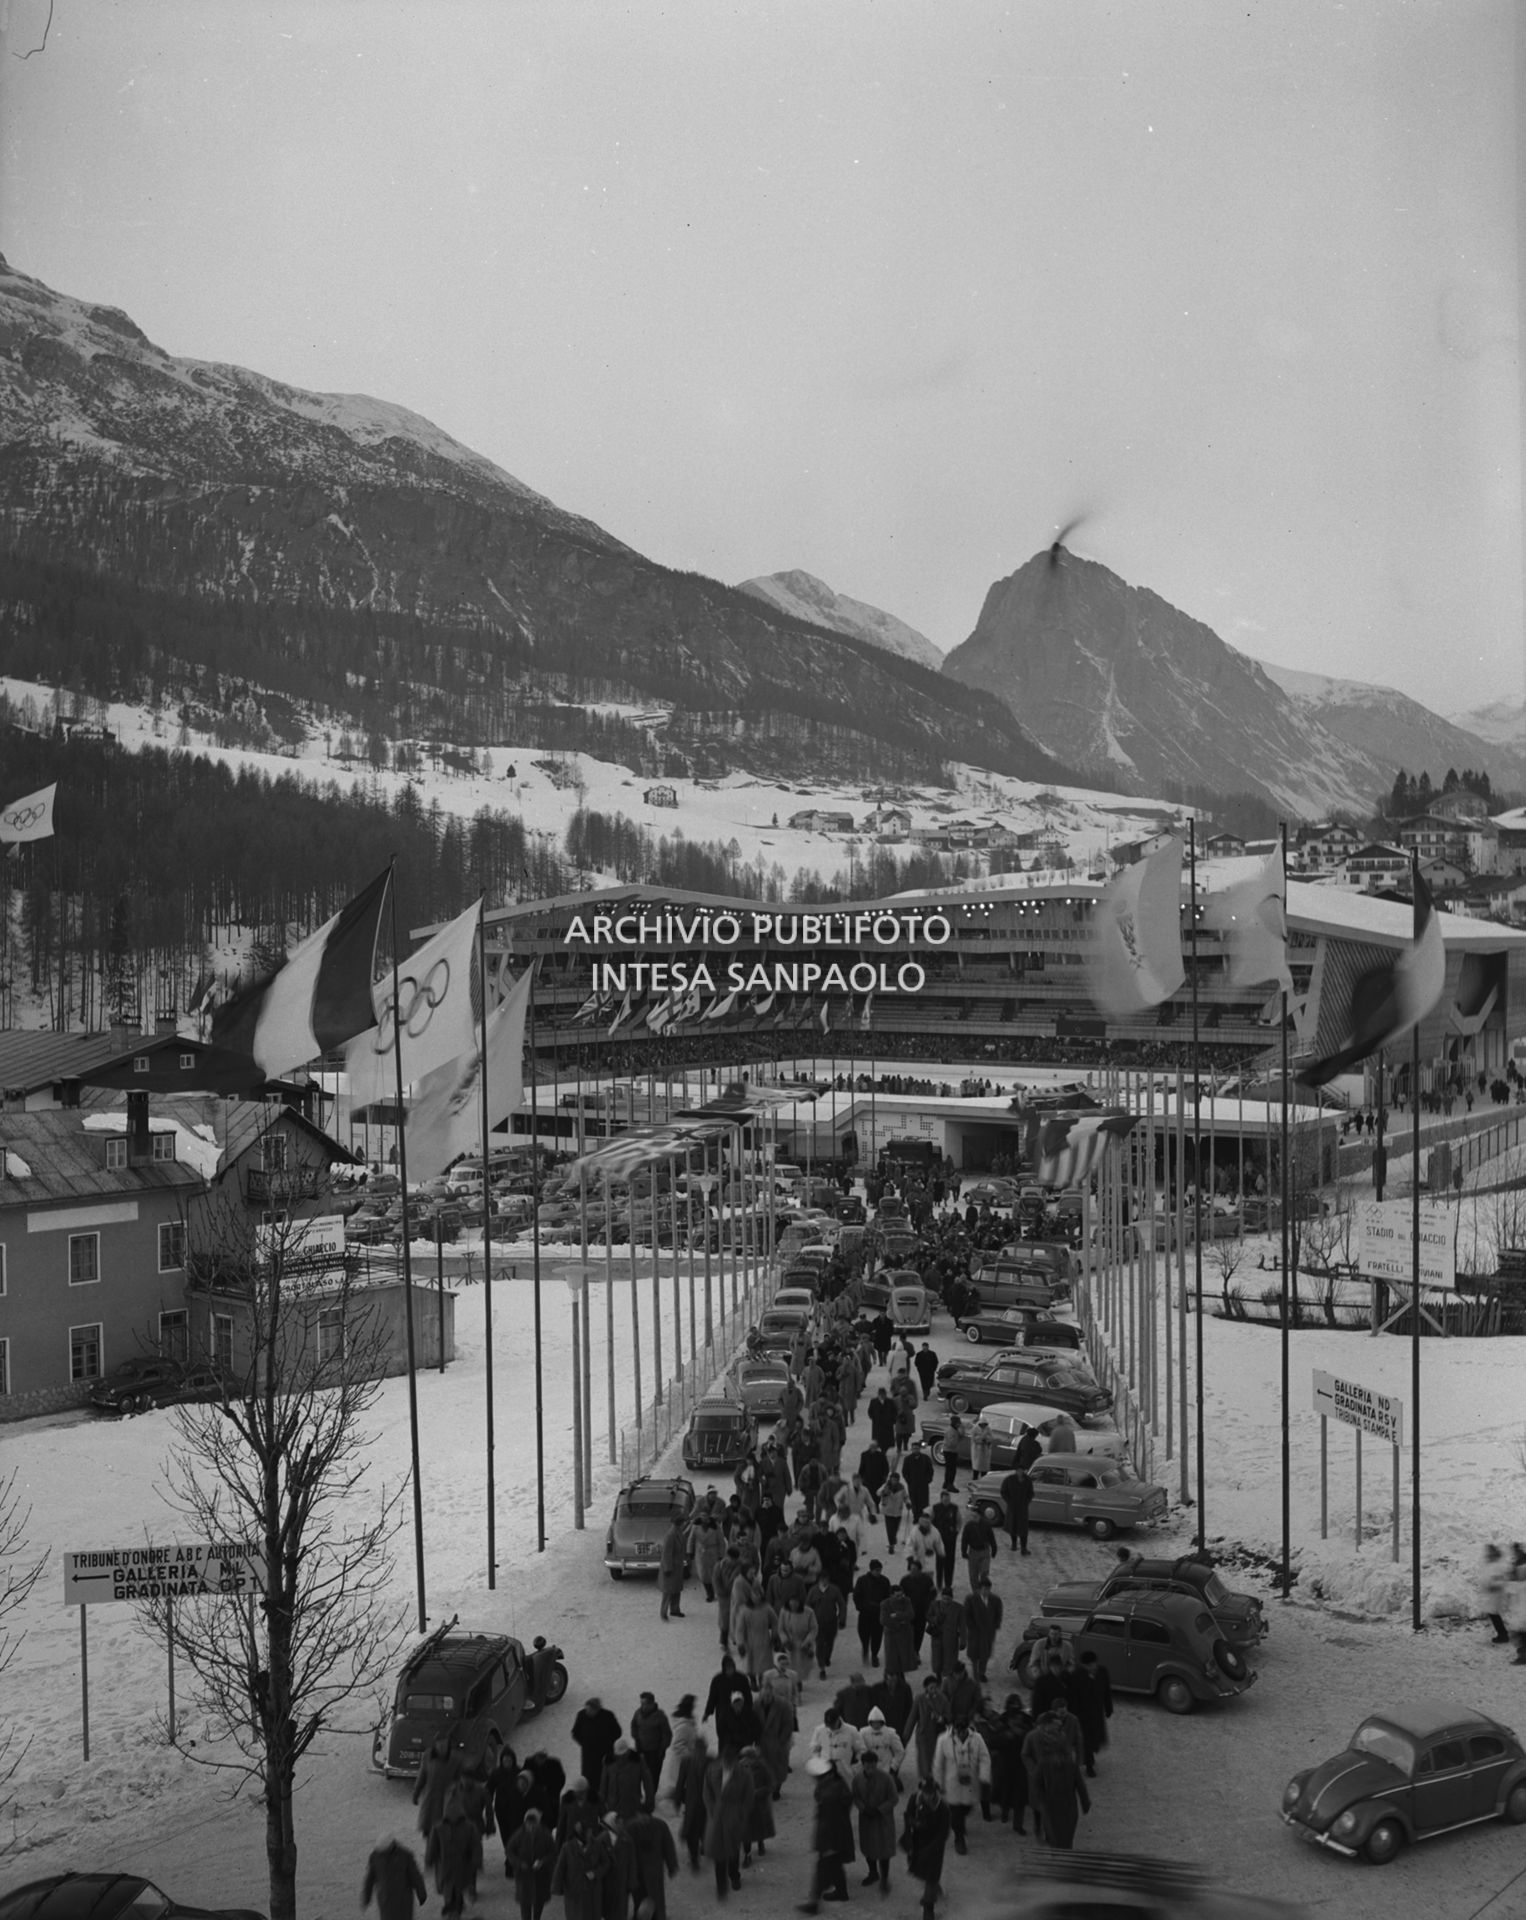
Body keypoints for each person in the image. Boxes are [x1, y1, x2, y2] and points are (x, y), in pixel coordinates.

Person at [1022, 1708, 1091, 1849]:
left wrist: (1066, 1765)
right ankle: (1038, 1827)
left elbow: (1067, 1752)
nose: (1059, 1726)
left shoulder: (1061, 1736)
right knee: (1039, 1805)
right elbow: (1025, 1754)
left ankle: (1051, 1837)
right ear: (1047, 1724)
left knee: (1052, 1814)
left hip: (1056, 1776)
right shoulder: (1032, 1736)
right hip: (1039, 1776)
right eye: (1056, 1724)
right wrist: (1034, 1770)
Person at [799, 1753, 856, 1911]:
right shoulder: (837, 1786)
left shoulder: (831, 1792)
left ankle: (814, 1902)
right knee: (835, 1865)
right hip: (837, 1834)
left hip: (831, 1836)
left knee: (822, 1868)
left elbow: (830, 1819)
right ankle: (841, 1892)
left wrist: (828, 1844)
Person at [930, 1715, 990, 1855]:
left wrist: (984, 1776)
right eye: (958, 1731)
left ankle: (960, 1823)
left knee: (967, 1808)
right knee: (955, 1810)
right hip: (952, 1781)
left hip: (970, 1781)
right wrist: (938, 1782)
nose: (961, 1734)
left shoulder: (977, 1739)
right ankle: (959, 1837)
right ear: (953, 1729)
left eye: (963, 1731)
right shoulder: (943, 1739)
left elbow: (984, 1758)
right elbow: (938, 1763)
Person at [425, 1785, 484, 1920]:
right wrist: (429, 1859)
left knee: (456, 1888)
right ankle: (452, 1910)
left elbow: (475, 1845)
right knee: (450, 1889)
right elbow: (433, 1845)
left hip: (459, 1864)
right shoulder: (439, 1828)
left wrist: (476, 1860)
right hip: (447, 1865)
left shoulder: (468, 1827)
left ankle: (454, 1910)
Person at [703, 1747, 753, 1897]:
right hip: (717, 1816)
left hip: (733, 1815)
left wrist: (740, 1815)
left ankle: (734, 1875)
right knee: (718, 1849)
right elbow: (707, 1792)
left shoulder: (744, 1774)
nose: (727, 1764)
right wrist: (712, 1810)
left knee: (732, 1848)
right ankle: (721, 1882)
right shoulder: (712, 1770)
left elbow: (748, 1797)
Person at [900, 1776, 950, 1920]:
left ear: (935, 1792)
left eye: (930, 1792)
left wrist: (931, 1849)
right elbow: (908, 1816)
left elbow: (943, 1833)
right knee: (921, 1871)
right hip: (918, 1842)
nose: (928, 1795)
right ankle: (934, 1889)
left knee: (932, 1874)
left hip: (935, 1845)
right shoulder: (914, 1799)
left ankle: (928, 1908)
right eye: (925, 1792)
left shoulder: (942, 1807)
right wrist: (913, 1826)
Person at [852, 1746, 900, 1893]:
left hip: (883, 1820)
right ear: (863, 1764)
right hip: (866, 1819)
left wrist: (879, 1810)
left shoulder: (886, 1778)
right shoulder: (857, 1779)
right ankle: (873, 1873)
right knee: (868, 1848)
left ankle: (884, 1878)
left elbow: (894, 1798)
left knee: (884, 1850)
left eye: (873, 1765)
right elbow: (855, 1797)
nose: (870, 1768)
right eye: (867, 1765)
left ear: (876, 1763)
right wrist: (863, 1809)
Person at [625, 1808, 679, 1920]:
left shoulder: (661, 1826)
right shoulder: (630, 1827)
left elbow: (668, 1846)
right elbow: (625, 1850)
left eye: (645, 1817)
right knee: (639, 1898)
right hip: (637, 1871)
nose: (643, 1819)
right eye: (641, 1816)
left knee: (656, 1897)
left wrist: (672, 1866)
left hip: (654, 1871)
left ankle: (658, 1917)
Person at [550, 1822, 610, 1920]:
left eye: (591, 1832)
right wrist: (556, 1887)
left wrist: (595, 1873)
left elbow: (606, 1863)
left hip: (592, 1891)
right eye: (588, 1833)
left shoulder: (597, 1845)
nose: (590, 1835)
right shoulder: (567, 1847)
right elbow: (560, 1868)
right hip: (574, 1891)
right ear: (580, 1834)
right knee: (575, 1915)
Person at [362, 1831, 428, 1920]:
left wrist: (421, 1893)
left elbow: (415, 1876)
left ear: (391, 1846)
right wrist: (366, 1897)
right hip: (387, 1900)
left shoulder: (405, 1856)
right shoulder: (375, 1857)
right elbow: (370, 1879)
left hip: (401, 1900)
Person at [504, 1810, 557, 1920]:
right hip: (524, 1875)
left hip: (541, 1875)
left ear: (538, 1823)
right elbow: (509, 1851)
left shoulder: (545, 1834)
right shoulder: (519, 1834)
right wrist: (519, 1863)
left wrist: (543, 1862)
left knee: (539, 1901)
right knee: (525, 1902)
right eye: (529, 1824)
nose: (531, 1827)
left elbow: (553, 1852)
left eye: (534, 1824)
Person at [1069, 1651, 1113, 1776]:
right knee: (1086, 1740)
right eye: (1087, 1666)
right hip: (1083, 1714)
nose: (1090, 1668)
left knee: (1095, 1739)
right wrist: (1074, 1715)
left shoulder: (1103, 1672)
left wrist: (1108, 1708)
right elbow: (1074, 1697)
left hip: (1097, 1712)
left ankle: (1090, 1756)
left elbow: (1107, 1691)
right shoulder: (1077, 1675)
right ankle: (1089, 1765)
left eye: (1091, 1665)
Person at [572, 1699, 623, 1800]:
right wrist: (584, 1743)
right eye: (586, 1709)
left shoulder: (608, 1716)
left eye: (590, 1710)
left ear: (597, 1709)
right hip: (588, 1755)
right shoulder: (581, 1715)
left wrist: (607, 1743)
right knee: (589, 1777)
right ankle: (591, 1798)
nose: (587, 1712)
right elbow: (575, 1732)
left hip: (604, 1754)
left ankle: (606, 1798)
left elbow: (618, 1732)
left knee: (605, 1777)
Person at [412, 1731, 459, 1836]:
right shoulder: (428, 1756)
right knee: (429, 1830)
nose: (442, 1747)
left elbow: (459, 1779)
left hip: (445, 1801)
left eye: (444, 1744)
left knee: (443, 1830)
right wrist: (416, 1793)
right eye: (439, 1744)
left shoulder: (454, 1759)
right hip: (430, 1800)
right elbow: (422, 1776)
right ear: (435, 1744)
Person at [655, 1696, 697, 1808]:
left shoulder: (688, 1723)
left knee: (680, 1786)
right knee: (680, 1786)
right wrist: (691, 1754)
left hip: (683, 1762)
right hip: (681, 1763)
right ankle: (665, 1802)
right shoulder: (684, 1726)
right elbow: (677, 1745)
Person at [808, 1569, 849, 1679]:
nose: (824, 1581)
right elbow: (808, 1607)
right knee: (820, 1644)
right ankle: (822, 1668)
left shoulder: (834, 1590)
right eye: (822, 1579)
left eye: (825, 1579)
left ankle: (827, 1657)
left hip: (831, 1622)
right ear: (818, 1580)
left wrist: (842, 1619)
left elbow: (842, 1604)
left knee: (830, 1642)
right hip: (817, 1623)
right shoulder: (813, 1591)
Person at [808, 1704, 864, 1783]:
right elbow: (814, 1749)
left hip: (845, 1770)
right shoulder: (819, 1730)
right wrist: (818, 1764)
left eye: (832, 1724)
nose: (830, 1727)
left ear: (838, 1719)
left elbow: (861, 1750)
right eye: (828, 1724)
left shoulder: (851, 1730)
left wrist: (856, 1767)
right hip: (825, 1770)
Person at [961, 1580, 1002, 1686]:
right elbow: (966, 1615)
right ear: (979, 1589)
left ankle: (981, 1672)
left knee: (985, 1654)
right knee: (974, 1654)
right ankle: (975, 1674)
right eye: (984, 1589)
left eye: (988, 1589)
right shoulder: (971, 1599)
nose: (986, 1591)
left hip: (988, 1632)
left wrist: (995, 1626)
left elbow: (998, 1614)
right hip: (975, 1632)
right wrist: (972, 1627)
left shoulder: (995, 1600)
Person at [602, 1737, 655, 1819]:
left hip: (632, 1805)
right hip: (613, 1805)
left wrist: (649, 1803)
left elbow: (648, 1783)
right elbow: (603, 1783)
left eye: (623, 1754)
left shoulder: (638, 1760)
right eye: (619, 1754)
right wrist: (601, 1804)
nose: (621, 1756)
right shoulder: (608, 1761)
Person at [853, 1558, 891, 1666]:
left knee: (877, 1636)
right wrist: (860, 1607)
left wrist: (885, 1609)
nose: (878, 1572)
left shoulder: (884, 1581)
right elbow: (857, 1595)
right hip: (865, 1613)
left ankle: (874, 1655)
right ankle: (865, 1648)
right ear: (871, 1570)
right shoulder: (862, 1580)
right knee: (863, 1633)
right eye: (876, 1570)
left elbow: (888, 1596)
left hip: (878, 1613)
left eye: (880, 1570)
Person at [631, 1695, 673, 1791]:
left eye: (644, 1703)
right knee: (639, 1773)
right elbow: (634, 1726)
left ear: (651, 1704)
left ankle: (651, 1795)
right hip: (641, 1749)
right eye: (641, 1703)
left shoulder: (660, 1716)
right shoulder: (638, 1713)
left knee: (653, 1775)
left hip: (655, 1752)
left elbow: (667, 1734)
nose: (642, 1706)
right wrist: (636, 1738)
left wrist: (662, 1749)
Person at [880, 1583, 917, 1681]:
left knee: (903, 1658)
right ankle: (889, 1677)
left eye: (901, 1595)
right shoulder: (885, 1604)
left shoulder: (907, 1601)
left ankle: (900, 1676)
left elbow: (911, 1614)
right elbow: (884, 1620)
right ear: (891, 1595)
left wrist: (897, 1615)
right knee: (892, 1659)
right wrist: (899, 1623)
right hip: (892, 1635)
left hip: (905, 1634)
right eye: (897, 1596)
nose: (900, 1598)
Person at [1479, 1543, 1512, 1645]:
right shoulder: (1490, 1564)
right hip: (1491, 1594)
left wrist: (1493, 1586)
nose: (1488, 1553)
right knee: (1493, 1614)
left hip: (1496, 1594)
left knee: (1494, 1614)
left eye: (1490, 1551)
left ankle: (1503, 1635)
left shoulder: (1498, 1565)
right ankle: (1503, 1634)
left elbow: (1501, 1580)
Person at [959, 1512, 998, 1593]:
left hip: (984, 1551)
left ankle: (984, 1590)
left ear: (979, 1516)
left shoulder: (986, 1525)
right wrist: (963, 1551)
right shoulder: (968, 1526)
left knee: (984, 1572)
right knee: (973, 1575)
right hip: (973, 1552)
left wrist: (994, 1549)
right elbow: (964, 1540)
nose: (974, 1517)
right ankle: (976, 1592)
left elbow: (991, 1537)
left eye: (975, 1516)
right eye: (972, 1516)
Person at [659, 1513, 688, 1621]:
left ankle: (675, 1609)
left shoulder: (678, 1532)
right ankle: (663, 1613)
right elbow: (666, 1553)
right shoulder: (671, 1535)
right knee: (668, 1591)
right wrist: (667, 1568)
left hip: (677, 1567)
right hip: (671, 1567)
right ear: (680, 1523)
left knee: (676, 1589)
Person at [999, 1466, 1032, 1554]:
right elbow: (1003, 1491)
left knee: (1023, 1528)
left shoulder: (1027, 1480)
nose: (1020, 1472)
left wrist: (1026, 1501)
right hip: (1012, 1507)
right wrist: (1009, 1501)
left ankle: (1023, 1548)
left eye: (1022, 1470)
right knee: (1012, 1526)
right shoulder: (1009, 1480)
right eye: (1018, 1470)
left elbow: (1030, 1493)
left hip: (1023, 1508)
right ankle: (1014, 1544)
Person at [901, 1442, 934, 1519]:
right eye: (914, 1448)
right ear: (911, 1449)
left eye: (917, 1448)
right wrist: (909, 1481)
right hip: (913, 1485)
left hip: (923, 1484)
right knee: (914, 1501)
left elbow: (930, 1470)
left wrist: (928, 1480)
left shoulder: (925, 1458)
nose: (915, 1450)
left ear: (919, 1449)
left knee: (924, 1501)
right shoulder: (907, 1459)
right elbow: (905, 1472)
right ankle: (916, 1516)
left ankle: (923, 1516)